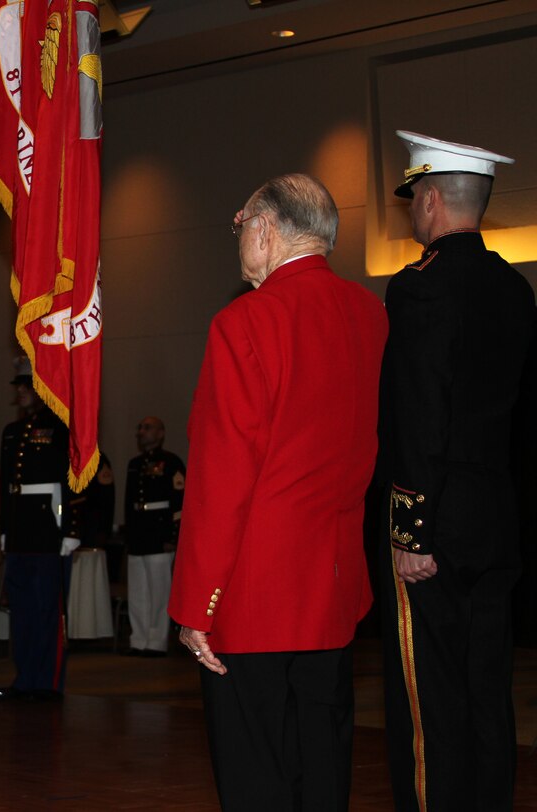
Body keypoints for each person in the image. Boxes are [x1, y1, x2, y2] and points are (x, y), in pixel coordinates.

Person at [168, 174, 388, 811]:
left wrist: (196, 604)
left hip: (254, 595)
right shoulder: (370, 314)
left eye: (241, 224)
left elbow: (222, 479)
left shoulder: (245, 322)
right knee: (322, 770)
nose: (238, 236)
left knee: (256, 775)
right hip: (335, 590)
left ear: (265, 230)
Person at [377, 131, 535, 812]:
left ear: (432, 199)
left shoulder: (419, 290)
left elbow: (420, 413)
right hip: (496, 521)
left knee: (428, 701)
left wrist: (411, 531)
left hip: (434, 526)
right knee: (485, 689)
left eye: (415, 199)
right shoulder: (515, 288)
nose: (413, 211)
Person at [0, 360, 82, 702]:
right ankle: (25, 679)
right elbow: (6, 485)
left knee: (48, 610)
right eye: (19, 385)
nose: (21, 390)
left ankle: (47, 683)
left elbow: (76, 479)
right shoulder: (11, 433)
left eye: (27, 384)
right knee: (23, 611)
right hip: (19, 531)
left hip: (49, 530)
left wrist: (71, 528)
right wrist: (4, 530)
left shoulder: (62, 427)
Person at [124, 417, 184, 657]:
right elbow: (130, 503)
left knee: (159, 591)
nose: (141, 432)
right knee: (137, 591)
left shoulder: (171, 462)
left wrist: (173, 535)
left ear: (161, 433)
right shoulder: (134, 464)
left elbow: (180, 501)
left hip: (159, 533)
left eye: (147, 428)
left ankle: (156, 641)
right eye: (139, 427)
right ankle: (138, 640)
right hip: (139, 532)